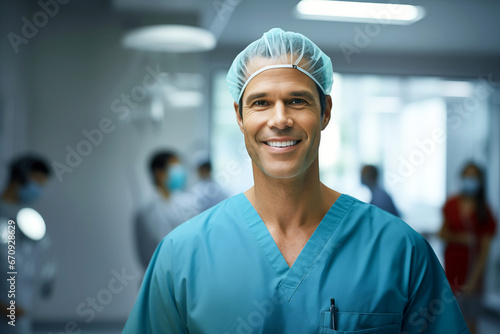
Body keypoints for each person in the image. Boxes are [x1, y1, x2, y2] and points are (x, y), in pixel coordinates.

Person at [123, 28, 468, 333]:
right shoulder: (181, 255)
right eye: (260, 102)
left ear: (326, 112)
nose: (280, 119)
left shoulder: (400, 251)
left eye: (297, 100)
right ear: (239, 117)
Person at [439, 161, 497, 334]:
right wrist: (460, 238)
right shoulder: (451, 204)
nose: (470, 180)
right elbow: (442, 233)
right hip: (451, 273)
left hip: (472, 275)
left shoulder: (485, 211)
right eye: (468, 176)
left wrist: (473, 280)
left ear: (480, 181)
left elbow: (485, 252)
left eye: (474, 177)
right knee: (450, 319)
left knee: (470, 322)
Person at [0, 154, 55, 334]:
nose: (39, 189)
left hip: (22, 312)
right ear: (21, 176)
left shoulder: (27, 219)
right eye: (37, 182)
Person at [134, 150, 199, 270]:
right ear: (159, 173)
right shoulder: (148, 209)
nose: (180, 173)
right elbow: (163, 244)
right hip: (163, 275)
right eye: (175, 168)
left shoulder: (180, 201)